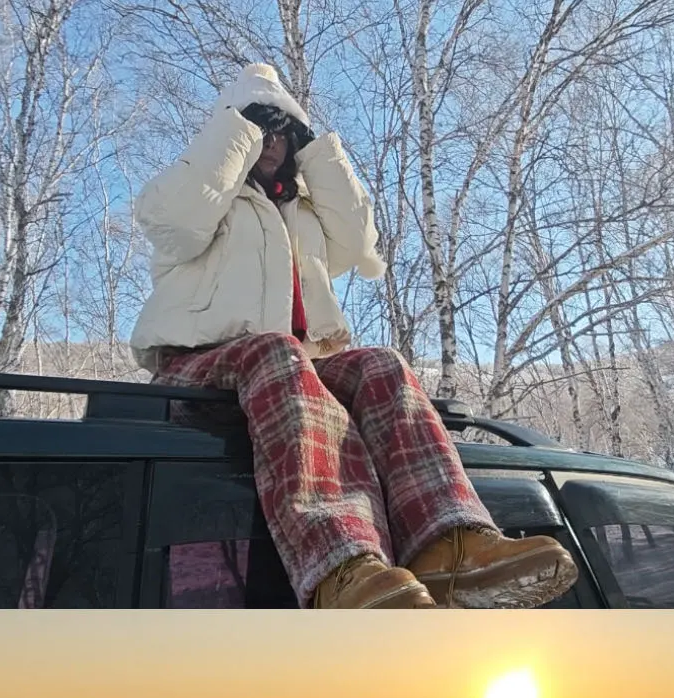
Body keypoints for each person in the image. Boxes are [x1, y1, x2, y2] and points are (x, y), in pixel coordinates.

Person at [130, 63, 578, 610]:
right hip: (197, 374)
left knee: (381, 365)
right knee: (278, 353)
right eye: (259, 128)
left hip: (295, 381)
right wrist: (237, 127)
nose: (271, 142)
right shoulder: (206, 199)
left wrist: (315, 147)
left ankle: (448, 547)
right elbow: (175, 223)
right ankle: (340, 566)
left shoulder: (303, 216)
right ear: (234, 132)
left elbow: (363, 251)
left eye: (281, 131)